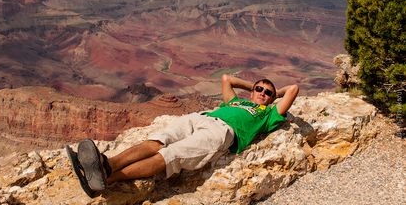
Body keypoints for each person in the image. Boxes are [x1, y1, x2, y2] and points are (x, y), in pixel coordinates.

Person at [66, 74, 299, 197]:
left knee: (170, 156)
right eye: (259, 89)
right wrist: (254, 86)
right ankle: (106, 164)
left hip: (222, 133)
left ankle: (106, 180)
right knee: (157, 141)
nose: (262, 94)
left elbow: (294, 89)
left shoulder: (268, 114)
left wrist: (274, 95)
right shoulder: (236, 101)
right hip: (201, 117)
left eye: (267, 92)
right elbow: (227, 78)